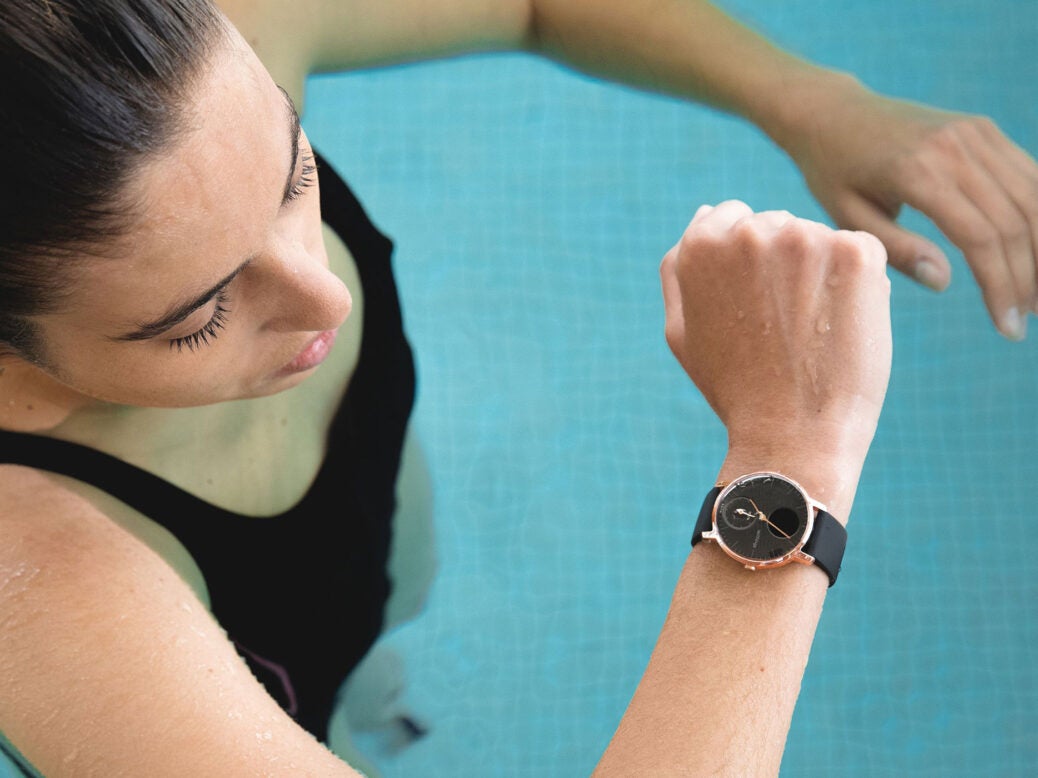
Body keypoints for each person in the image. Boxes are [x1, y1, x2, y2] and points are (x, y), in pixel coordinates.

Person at [0, 0, 990, 775]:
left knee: (376, 612)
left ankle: (362, 685)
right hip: (175, 637)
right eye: (201, 316)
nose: (327, 295)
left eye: (296, 174)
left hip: (356, 522)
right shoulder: (37, 588)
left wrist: (807, 99)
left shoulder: (152, 69)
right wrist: (792, 456)